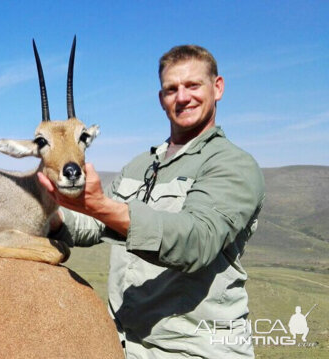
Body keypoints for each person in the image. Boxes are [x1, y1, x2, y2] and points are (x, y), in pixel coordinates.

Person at [38, 45, 265, 357]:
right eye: (171, 89)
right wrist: (49, 217)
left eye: (193, 85)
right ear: (162, 99)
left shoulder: (232, 164)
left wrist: (101, 206)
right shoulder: (140, 165)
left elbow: (196, 241)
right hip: (122, 346)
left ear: (218, 87)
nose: (182, 97)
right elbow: (97, 224)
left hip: (191, 350)